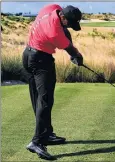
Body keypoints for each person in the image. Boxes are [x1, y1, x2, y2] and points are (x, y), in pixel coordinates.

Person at [22, 4, 83, 160]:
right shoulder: (54, 31)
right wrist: (77, 56)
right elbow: (68, 47)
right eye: (69, 23)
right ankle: (37, 141)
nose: (69, 26)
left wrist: (72, 49)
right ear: (62, 17)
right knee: (45, 100)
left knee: (38, 98)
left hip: (28, 55)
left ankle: (47, 134)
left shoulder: (52, 8)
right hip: (41, 61)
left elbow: (66, 33)